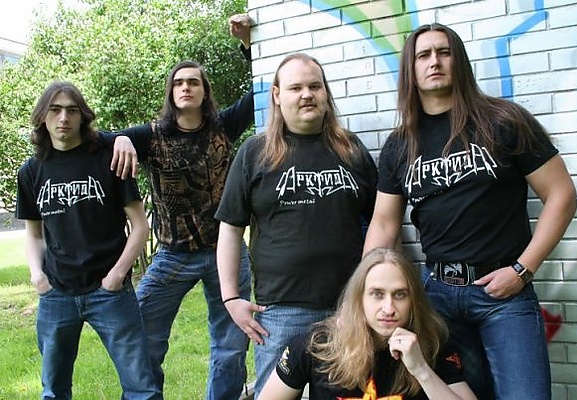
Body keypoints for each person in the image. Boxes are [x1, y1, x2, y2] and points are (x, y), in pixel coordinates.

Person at [363, 23, 577, 399]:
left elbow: (562, 195)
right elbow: (383, 224)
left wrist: (522, 270)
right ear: (411, 69)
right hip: (436, 299)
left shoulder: (504, 121)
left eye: (443, 52)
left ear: (458, 61)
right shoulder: (400, 145)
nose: (434, 62)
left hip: (504, 295)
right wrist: (368, 294)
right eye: (423, 55)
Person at [104, 14, 255, 399]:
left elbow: (264, 88)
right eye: (178, 82)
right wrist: (120, 138)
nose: (186, 87)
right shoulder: (150, 136)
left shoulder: (224, 126)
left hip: (225, 251)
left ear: (205, 92)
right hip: (172, 256)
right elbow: (97, 141)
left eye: (194, 82)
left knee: (231, 346)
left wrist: (248, 45)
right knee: (143, 336)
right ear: (171, 93)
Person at [215, 52, 378, 396]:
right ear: (277, 95)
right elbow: (230, 228)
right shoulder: (255, 152)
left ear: (325, 93)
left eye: (314, 86)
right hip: (281, 312)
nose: (307, 94)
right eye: (296, 88)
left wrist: (373, 294)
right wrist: (231, 297)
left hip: (348, 307)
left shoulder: (351, 150)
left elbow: (382, 222)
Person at [15, 81, 161, 399]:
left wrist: (117, 275)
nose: (63, 117)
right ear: (42, 117)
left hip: (109, 291)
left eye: (71, 110)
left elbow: (140, 226)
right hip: (56, 292)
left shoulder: (109, 160)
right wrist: (37, 275)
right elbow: (34, 233)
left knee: (141, 388)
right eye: (55, 110)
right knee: (53, 390)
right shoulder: (31, 171)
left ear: (82, 116)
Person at [258, 247, 477, 400]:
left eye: (400, 294)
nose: (389, 308)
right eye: (377, 294)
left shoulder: (432, 344)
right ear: (359, 298)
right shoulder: (315, 346)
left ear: (414, 301)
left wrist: (421, 369)